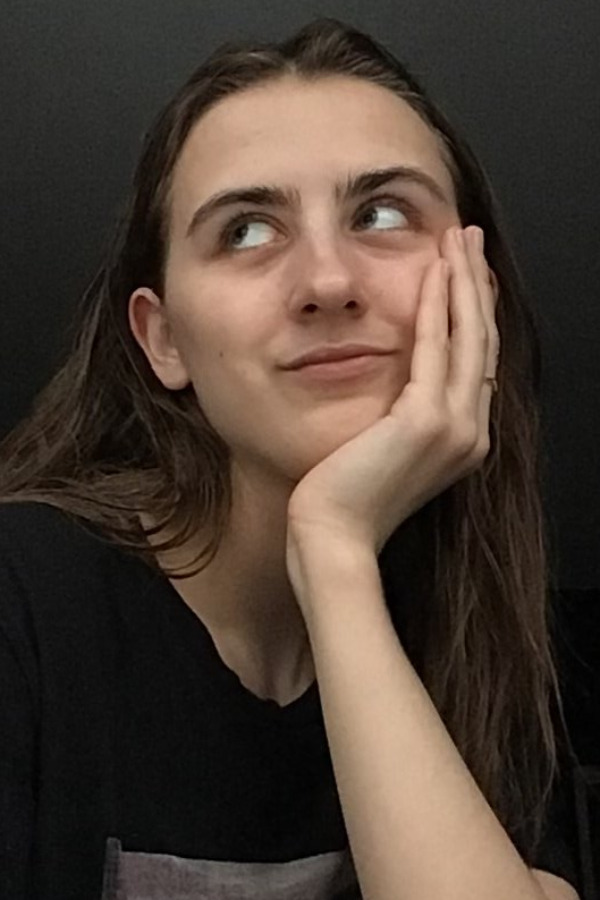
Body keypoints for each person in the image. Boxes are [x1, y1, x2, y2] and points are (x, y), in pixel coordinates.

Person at [0, 16, 583, 900]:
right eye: (246, 231)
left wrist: (333, 552)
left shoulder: (484, 626)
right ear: (164, 340)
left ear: (477, 296)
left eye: (381, 214)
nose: (327, 282)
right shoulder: (22, 606)